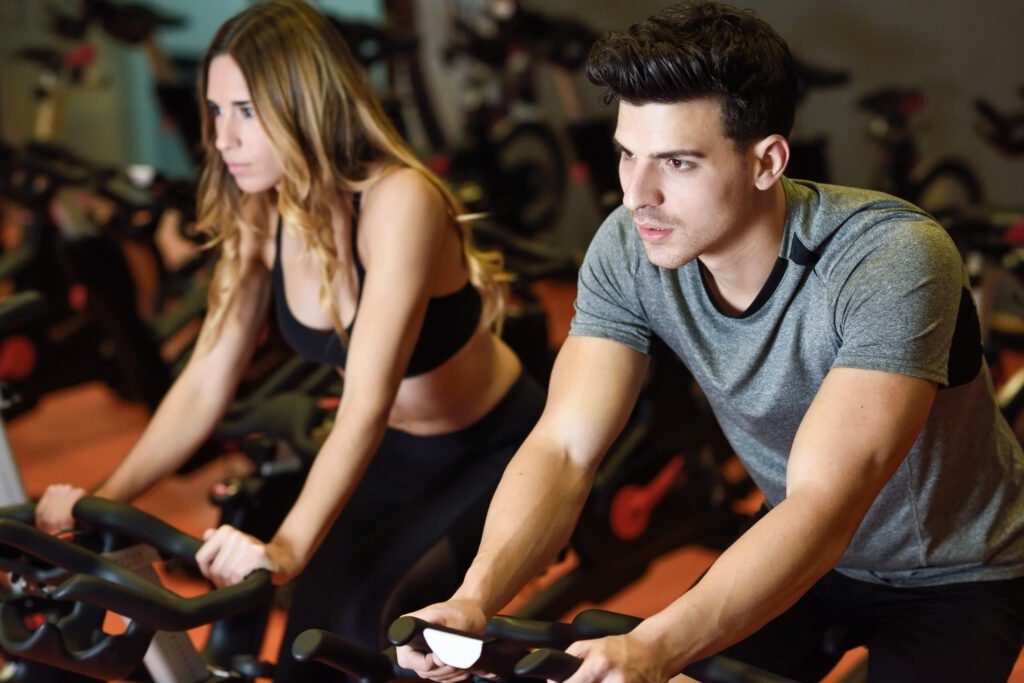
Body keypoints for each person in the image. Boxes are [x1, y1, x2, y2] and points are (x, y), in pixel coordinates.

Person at [397, 3, 1024, 682]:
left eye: (678, 162)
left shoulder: (891, 258)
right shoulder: (629, 245)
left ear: (767, 161)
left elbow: (826, 503)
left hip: (959, 570)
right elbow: (564, 445)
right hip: (798, 545)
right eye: (626, 155)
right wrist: (475, 596)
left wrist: (656, 645)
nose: (639, 194)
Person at [33, 0, 544, 679]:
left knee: (378, 627)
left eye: (246, 111)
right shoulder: (260, 211)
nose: (222, 138)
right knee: (313, 634)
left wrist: (285, 548)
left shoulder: (400, 202)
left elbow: (364, 399)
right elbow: (206, 374)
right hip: (394, 449)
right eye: (216, 112)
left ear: (307, 103)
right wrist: (104, 497)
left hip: (492, 448)